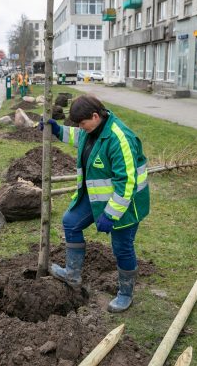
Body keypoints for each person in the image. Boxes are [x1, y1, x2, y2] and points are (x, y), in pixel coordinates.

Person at [39, 94, 149, 312]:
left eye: (82, 123)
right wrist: (57, 129)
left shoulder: (119, 138)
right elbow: (80, 136)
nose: (80, 127)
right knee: (71, 222)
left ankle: (125, 293)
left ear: (96, 116)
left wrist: (110, 215)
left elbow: (126, 183)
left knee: (122, 248)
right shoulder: (93, 129)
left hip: (126, 204)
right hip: (98, 198)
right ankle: (73, 275)